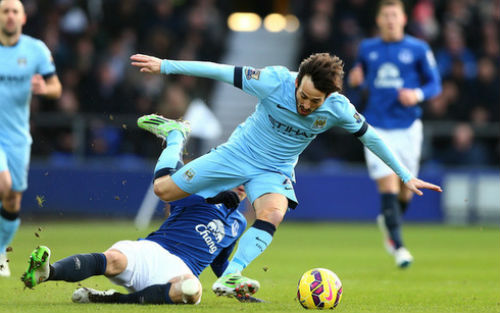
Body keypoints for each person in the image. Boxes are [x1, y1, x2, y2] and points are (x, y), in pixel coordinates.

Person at [130, 50, 442, 297]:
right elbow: (219, 70)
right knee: (163, 190)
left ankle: (231, 274)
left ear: (328, 98)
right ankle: (174, 135)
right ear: (297, 81)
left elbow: (370, 136)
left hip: (274, 170)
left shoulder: (338, 108)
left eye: (314, 101)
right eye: (302, 95)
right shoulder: (273, 80)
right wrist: (166, 66)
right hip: (237, 154)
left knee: (273, 212)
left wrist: (404, 175)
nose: (305, 105)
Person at [21, 183, 262, 304]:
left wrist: (236, 287)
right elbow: (170, 195)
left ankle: (110, 299)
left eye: (248, 180)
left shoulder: (239, 223)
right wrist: (214, 196)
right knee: (113, 259)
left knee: (192, 289)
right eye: (238, 175)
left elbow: (220, 262)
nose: (243, 183)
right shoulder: (202, 192)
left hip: (182, 271)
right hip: (152, 250)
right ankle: (47, 272)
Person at [348, 0, 441, 268]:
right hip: (376, 127)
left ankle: (389, 220)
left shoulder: (418, 48)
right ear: (379, 20)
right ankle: (399, 247)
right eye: (385, 15)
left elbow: (434, 83)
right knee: (388, 185)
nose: (390, 19)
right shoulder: (367, 48)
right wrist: (356, 80)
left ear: (403, 18)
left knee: (406, 190)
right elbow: (361, 80)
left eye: (394, 15)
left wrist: (417, 94)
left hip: (408, 126)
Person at [0, 0, 62, 276]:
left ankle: (1, 250)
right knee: (4, 184)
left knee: (12, 199)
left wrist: (44, 88)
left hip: (17, 136)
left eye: (15, 11)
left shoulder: (35, 49)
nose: (10, 16)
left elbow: (56, 87)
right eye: (4, 11)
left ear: (23, 18)